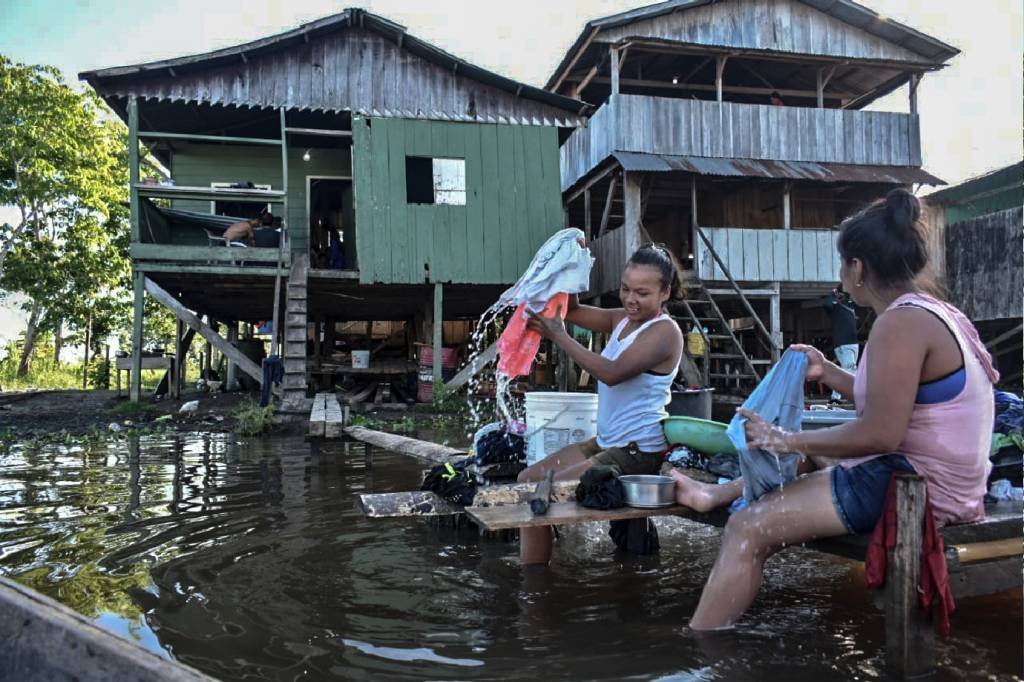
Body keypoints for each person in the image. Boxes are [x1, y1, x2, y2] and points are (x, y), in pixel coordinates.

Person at [671, 188, 998, 630]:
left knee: (746, 529)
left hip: (918, 489)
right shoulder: (936, 313)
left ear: (857, 268)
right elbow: (901, 400)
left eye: (843, 265)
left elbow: (880, 434)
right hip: (942, 480)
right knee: (803, 463)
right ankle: (714, 496)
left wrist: (783, 438)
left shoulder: (898, 324)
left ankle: (701, 654)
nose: (842, 275)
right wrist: (827, 372)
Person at [517, 244, 685, 565]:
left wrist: (559, 336)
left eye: (642, 293)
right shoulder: (622, 320)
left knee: (544, 491)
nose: (630, 299)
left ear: (665, 293)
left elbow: (611, 373)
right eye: (625, 289)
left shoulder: (665, 332)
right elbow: (574, 310)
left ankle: (535, 582)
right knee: (527, 481)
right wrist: (575, 263)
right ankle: (533, 569)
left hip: (639, 452)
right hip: (607, 441)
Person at [823, 286, 859, 403]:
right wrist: (833, 293)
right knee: (850, 368)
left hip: (853, 343)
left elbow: (853, 299)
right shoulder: (834, 307)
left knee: (849, 370)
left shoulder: (849, 306)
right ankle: (838, 397)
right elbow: (826, 303)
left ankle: (837, 397)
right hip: (843, 343)